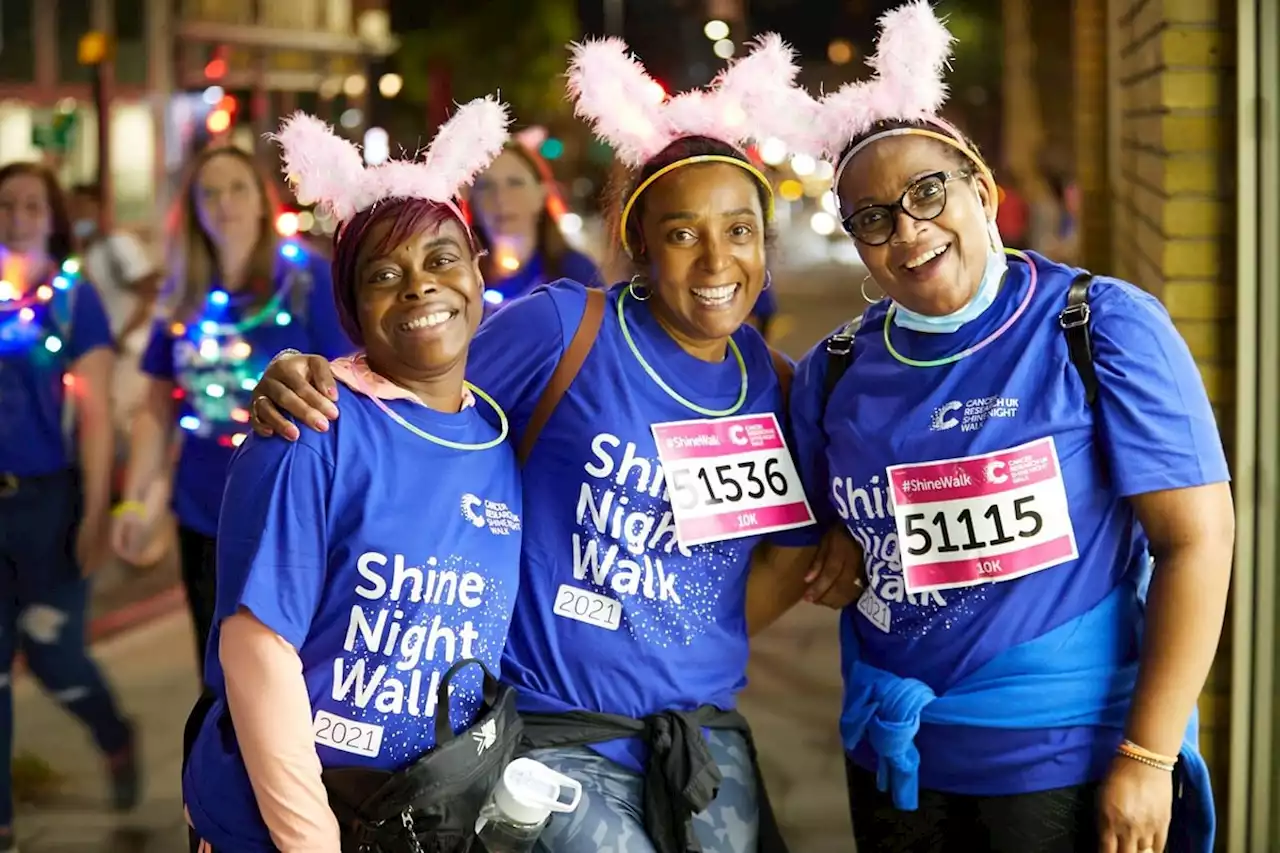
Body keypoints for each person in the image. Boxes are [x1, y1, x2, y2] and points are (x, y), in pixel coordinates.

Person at [248, 34, 863, 853]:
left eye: (740, 230)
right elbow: (422, 386)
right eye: (683, 233)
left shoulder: (778, 388)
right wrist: (311, 374)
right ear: (639, 240)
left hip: (704, 751)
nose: (718, 260)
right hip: (548, 746)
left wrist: (676, 636)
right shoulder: (564, 331)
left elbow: (793, 553)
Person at [786, 3, 1230, 851]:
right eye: (873, 218)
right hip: (892, 753)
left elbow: (1198, 542)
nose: (908, 230)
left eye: (927, 192)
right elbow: (808, 517)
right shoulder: (833, 369)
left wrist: (1147, 756)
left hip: (1061, 760)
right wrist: (838, 537)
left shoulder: (1099, 327)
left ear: (981, 189)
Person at [184, 98, 525, 853]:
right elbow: (257, 650)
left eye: (441, 258)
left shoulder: (497, 435)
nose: (418, 286)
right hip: (283, 823)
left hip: (423, 818)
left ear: (476, 270)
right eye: (383, 273)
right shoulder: (311, 428)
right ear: (350, 305)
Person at [112, 144, 354, 675]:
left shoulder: (308, 282)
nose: (224, 203)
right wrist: (134, 504)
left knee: (295, 669)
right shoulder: (181, 296)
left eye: (238, 188)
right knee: (217, 667)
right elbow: (157, 408)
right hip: (204, 508)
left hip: (291, 508)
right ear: (193, 209)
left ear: (263, 201)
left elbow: (351, 393)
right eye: (209, 192)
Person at [0, 163, 139, 850]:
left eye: (31, 205)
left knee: (55, 657)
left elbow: (94, 419)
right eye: (6, 204)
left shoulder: (71, 301)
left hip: (50, 505)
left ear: (52, 218)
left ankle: (114, 735)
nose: (17, 216)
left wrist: (93, 513)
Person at [468, 140, 600, 313]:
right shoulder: (464, 279)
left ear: (542, 194)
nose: (500, 197)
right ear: (472, 201)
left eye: (515, 182)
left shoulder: (576, 273)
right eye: (486, 186)